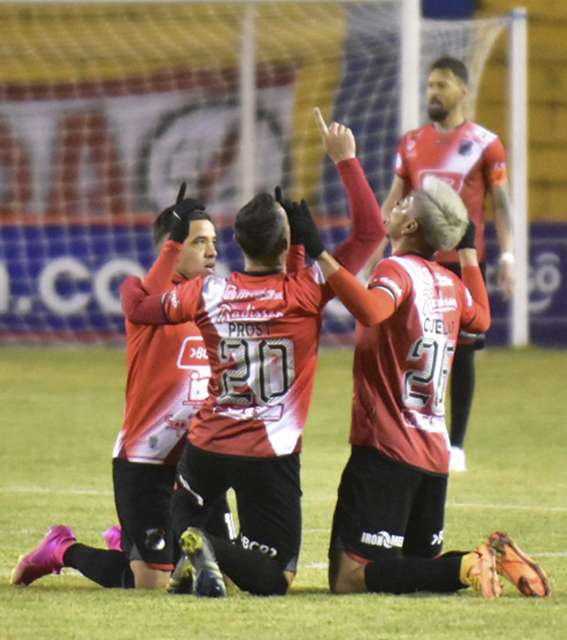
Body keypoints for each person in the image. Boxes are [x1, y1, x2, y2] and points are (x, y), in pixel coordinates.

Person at [119, 108, 385, 597]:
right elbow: (370, 234)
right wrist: (345, 161)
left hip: (206, 449)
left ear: (236, 241)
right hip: (269, 453)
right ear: (289, 240)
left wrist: (173, 240)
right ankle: (212, 548)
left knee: (185, 528)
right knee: (275, 579)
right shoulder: (308, 290)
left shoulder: (208, 293)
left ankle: (195, 544)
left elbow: (138, 307)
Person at [310, 174, 551, 599]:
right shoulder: (449, 283)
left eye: (403, 207)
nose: (395, 207)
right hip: (433, 456)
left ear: (411, 228)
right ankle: (494, 555)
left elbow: (369, 309)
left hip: (386, 450)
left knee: (349, 578)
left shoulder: (396, 270)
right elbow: (483, 320)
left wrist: (319, 253)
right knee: (412, 570)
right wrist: (469, 252)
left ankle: (467, 565)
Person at [11, 188, 234, 591]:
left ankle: (128, 541)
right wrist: (172, 244)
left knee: (231, 577)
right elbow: (148, 299)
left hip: (201, 463)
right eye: (198, 241)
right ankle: (62, 548)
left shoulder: (216, 301)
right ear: (172, 247)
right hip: (147, 460)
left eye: (214, 242)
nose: (211, 251)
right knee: (151, 584)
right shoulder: (142, 295)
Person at [376, 56, 517, 472]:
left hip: (464, 263)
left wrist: (507, 255)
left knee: (464, 352)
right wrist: (379, 248)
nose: (432, 93)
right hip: (418, 263)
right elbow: (395, 197)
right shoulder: (412, 142)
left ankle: (455, 445)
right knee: (416, 349)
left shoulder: (486, 143)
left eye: (441, 85)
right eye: (429, 86)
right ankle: (412, 431)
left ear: (463, 89)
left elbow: (503, 206)